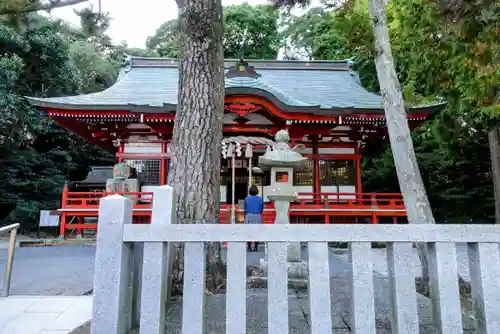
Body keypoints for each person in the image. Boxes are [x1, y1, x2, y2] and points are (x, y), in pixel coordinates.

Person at [244, 185, 264, 252]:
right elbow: (261, 209)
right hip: (258, 216)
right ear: (257, 191)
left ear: (249, 191)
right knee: (257, 232)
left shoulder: (246, 199)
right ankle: (255, 247)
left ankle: (249, 247)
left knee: (248, 232)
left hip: (249, 215)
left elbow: (245, 208)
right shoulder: (260, 199)